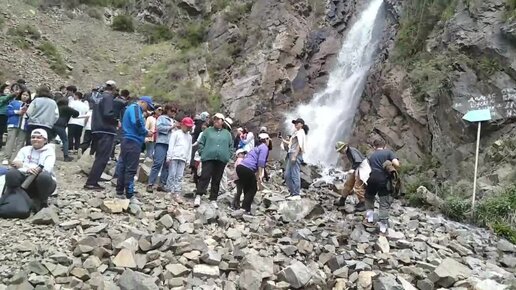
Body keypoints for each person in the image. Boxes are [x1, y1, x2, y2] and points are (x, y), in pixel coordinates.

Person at [6, 129, 56, 211]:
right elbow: (15, 163)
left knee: (44, 176)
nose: (35, 139)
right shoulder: (25, 149)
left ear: (45, 140)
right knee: (12, 173)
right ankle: (12, 198)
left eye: (39, 137)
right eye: (33, 137)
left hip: (43, 183)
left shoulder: (49, 151)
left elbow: (47, 168)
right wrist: (27, 169)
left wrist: (23, 166)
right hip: (25, 181)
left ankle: (42, 202)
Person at [116, 96, 154, 204]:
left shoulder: (130, 108)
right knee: (131, 168)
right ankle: (130, 194)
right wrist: (146, 132)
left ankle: (119, 191)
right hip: (133, 141)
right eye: (147, 106)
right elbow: (137, 122)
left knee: (123, 166)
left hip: (126, 140)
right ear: (143, 102)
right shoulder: (136, 108)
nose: (147, 109)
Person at [84, 80, 118, 190]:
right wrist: (116, 121)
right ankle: (92, 182)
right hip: (106, 130)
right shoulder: (108, 97)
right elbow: (108, 113)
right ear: (113, 88)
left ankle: (92, 180)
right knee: (102, 158)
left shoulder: (98, 97)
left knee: (99, 156)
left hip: (96, 129)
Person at [195, 113, 233, 208]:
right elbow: (201, 143)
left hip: (221, 159)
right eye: (215, 119)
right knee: (205, 176)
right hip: (208, 157)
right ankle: (199, 195)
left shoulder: (227, 134)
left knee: (217, 179)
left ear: (223, 121)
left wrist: (228, 156)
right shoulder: (207, 131)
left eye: (219, 119)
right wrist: (202, 152)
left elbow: (231, 146)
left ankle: (213, 199)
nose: (216, 120)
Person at [363, 138, 400, 234]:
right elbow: (396, 164)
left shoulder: (371, 155)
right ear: (385, 146)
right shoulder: (388, 152)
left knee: (369, 197)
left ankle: (370, 219)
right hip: (383, 179)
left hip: (371, 179)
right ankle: (383, 228)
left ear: (374, 147)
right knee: (384, 203)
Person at [235, 133, 271, 213]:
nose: (269, 141)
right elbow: (261, 162)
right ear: (266, 140)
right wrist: (261, 175)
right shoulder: (264, 147)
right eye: (268, 139)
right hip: (247, 168)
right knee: (253, 189)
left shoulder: (256, 147)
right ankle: (244, 208)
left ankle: (244, 208)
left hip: (240, 167)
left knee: (247, 187)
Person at [147, 104, 177, 193]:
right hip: (162, 143)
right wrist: (171, 127)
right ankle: (150, 183)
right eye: (172, 111)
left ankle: (162, 184)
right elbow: (159, 128)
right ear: (167, 110)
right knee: (157, 163)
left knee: (167, 165)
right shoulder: (162, 118)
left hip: (171, 145)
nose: (173, 113)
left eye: (175, 111)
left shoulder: (174, 121)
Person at [166, 117, 193, 203]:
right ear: (182, 125)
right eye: (187, 126)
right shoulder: (176, 134)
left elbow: (189, 149)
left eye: (189, 127)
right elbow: (171, 145)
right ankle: (170, 190)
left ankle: (177, 192)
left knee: (179, 175)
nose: (188, 128)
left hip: (183, 158)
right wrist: (169, 156)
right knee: (172, 174)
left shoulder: (189, 137)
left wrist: (188, 159)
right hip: (174, 156)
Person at [335, 141, 367, 211]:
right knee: (348, 184)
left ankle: (363, 203)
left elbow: (358, 161)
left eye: (340, 150)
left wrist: (353, 169)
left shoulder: (352, 151)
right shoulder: (349, 152)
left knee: (358, 186)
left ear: (344, 147)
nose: (340, 152)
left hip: (362, 168)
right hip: (358, 168)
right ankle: (342, 200)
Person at [282, 118, 308, 200]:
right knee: (287, 175)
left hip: (295, 154)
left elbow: (299, 145)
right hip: (290, 153)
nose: (295, 124)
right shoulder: (296, 132)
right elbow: (291, 144)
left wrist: (295, 155)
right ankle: (292, 192)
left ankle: (296, 194)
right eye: (295, 123)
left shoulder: (301, 132)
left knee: (295, 174)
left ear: (302, 124)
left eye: (297, 123)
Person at [5, 89, 31, 162]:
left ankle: (16, 158)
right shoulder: (14, 102)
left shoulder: (30, 105)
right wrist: (17, 112)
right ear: (20, 95)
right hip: (13, 124)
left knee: (20, 143)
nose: (25, 96)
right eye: (23, 94)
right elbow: (7, 112)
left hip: (24, 126)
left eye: (27, 95)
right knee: (10, 141)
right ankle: (6, 157)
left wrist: (26, 113)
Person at [0, 84, 20, 150]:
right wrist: (13, 94)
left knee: (4, 131)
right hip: (2, 115)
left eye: (8, 91)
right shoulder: (2, 97)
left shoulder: (10, 99)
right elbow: (6, 98)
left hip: (7, 115)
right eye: (6, 91)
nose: (7, 92)